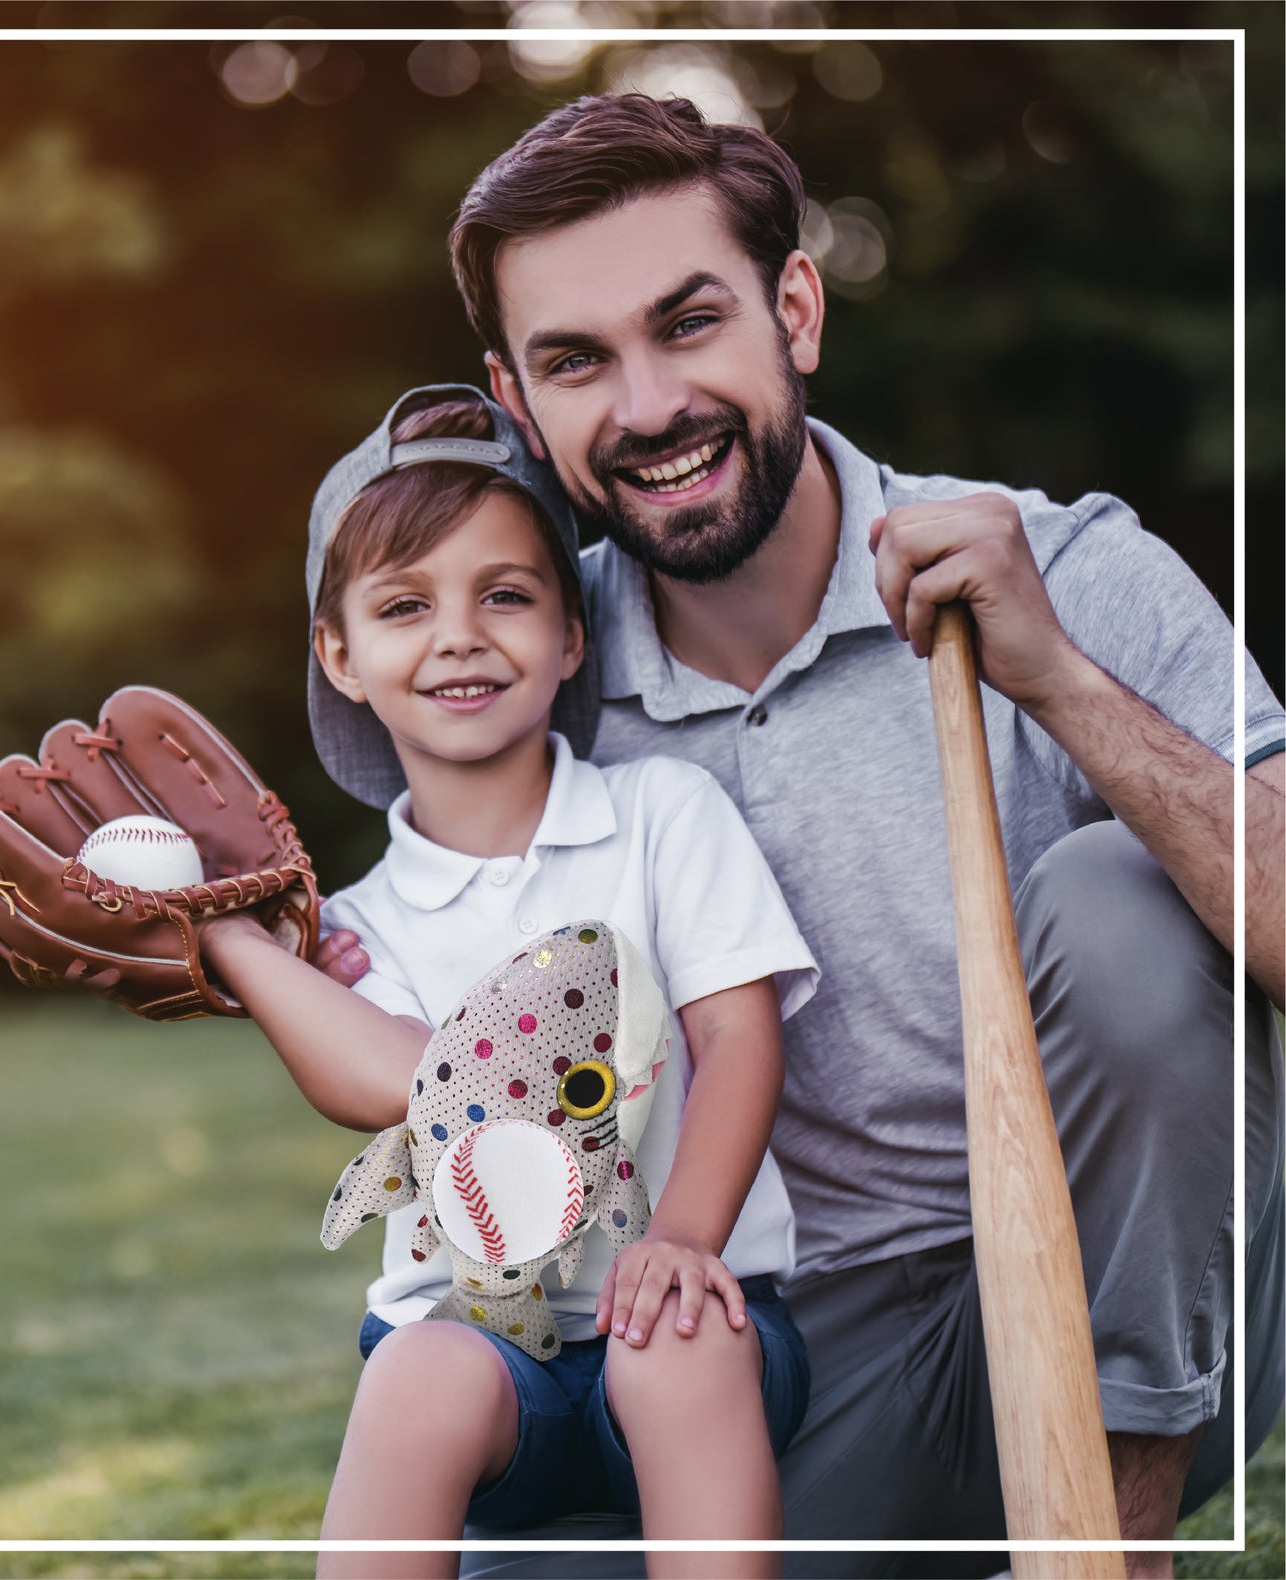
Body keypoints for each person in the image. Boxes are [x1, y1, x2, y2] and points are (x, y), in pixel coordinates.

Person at [317, 94, 1284, 1579]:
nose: (647, 406)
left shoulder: (1062, 566)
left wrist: (1060, 682)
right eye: (576, 361)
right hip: (763, 1348)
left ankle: (1107, 1553)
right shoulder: (522, 662)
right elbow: (417, 962)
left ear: (795, 310)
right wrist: (230, 945)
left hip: (1125, 1298)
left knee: (1118, 900)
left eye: (688, 322)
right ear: (516, 399)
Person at [203, 384, 818, 1580]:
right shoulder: (355, 927)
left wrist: (682, 1238)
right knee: (417, 1369)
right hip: (488, 1363)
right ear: (339, 654)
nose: (458, 635)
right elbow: (406, 1083)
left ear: (571, 633)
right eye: (403, 604)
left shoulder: (660, 813)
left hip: (699, 1321)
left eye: (505, 594)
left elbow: (741, 1038)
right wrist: (234, 940)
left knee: (675, 1337)